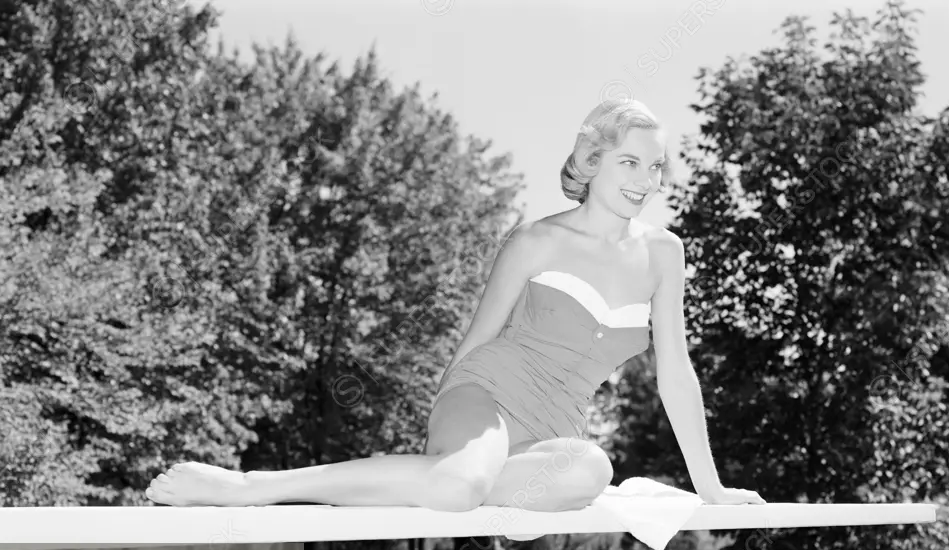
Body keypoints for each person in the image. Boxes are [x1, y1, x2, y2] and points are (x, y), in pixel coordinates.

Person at [145, 99, 765, 511]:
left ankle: (446, 480)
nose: (644, 179)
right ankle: (251, 488)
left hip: (554, 429)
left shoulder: (664, 253)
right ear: (591, 159)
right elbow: (478, 339)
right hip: (486, 395)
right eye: (630, 160)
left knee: (592, 472)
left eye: (655, 167)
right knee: (462, 480)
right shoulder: (537, 241)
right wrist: (450, 428)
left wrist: (710, 488)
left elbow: (676, 374)